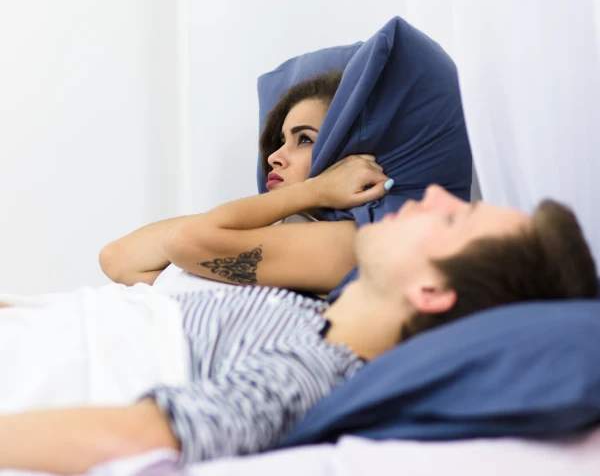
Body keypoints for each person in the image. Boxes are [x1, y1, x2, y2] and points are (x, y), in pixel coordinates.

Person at [0, 184, 597, 474]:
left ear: (432, 292)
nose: (437, 193)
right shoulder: (303, 312)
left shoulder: (313, 370)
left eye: (453, 219)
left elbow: (140, 436)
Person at [100, 71, 393, 297]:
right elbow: (118, 259)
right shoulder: (261, 230)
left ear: (344, 155)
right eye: (281, 141)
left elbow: (182, 242)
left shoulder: (345, 239)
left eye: (304, 139)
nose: (275, 157)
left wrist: (316, 190)